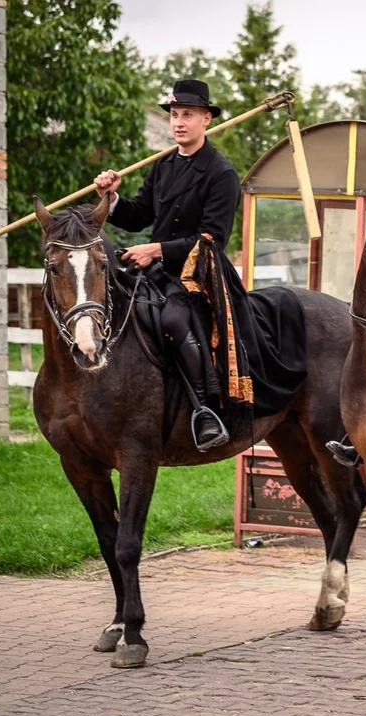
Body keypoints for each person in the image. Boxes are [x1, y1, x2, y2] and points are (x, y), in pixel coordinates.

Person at [93, 79, 238, 450]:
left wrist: (156, 250)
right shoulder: (162, 165)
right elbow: (137, 215)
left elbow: (211, 240)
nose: (178, 122)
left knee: (173, 320)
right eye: (174, 115)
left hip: (199, 273)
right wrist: (110, 198)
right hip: (155, 270)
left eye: (187, 115)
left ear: (206, 119)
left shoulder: (221, 173)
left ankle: (207, 409)